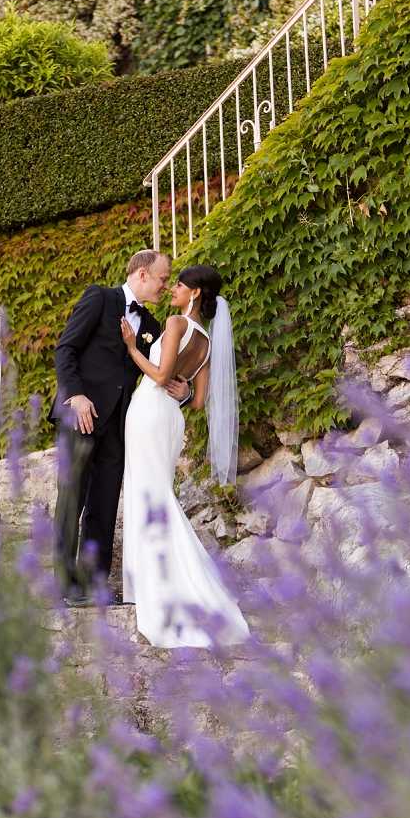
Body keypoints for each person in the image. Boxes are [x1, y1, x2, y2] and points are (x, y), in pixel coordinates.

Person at [120, 264, 250, 647]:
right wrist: (180, 390)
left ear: (194, 293)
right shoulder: (207, 342)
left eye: (179, 285)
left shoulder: (176, 324)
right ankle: (159, 582)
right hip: (170, 419)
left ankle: (155, 587)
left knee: (148, 496)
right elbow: (196, 402)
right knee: (157, 495)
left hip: (148, 411)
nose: (172, 288)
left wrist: (131, 348)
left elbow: (160, 377)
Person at [50, 250, 189, 604]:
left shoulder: (154, 327)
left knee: (105, 504)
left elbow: (163, 374)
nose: (165, 285)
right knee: (72, 499)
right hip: (81, 415)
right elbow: (65, 349)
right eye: (162, 277)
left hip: (119, 428)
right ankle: (63, 586)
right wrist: (76, 395)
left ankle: (93, 585)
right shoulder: (100, 297)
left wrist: (185, 391)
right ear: (142, 274)